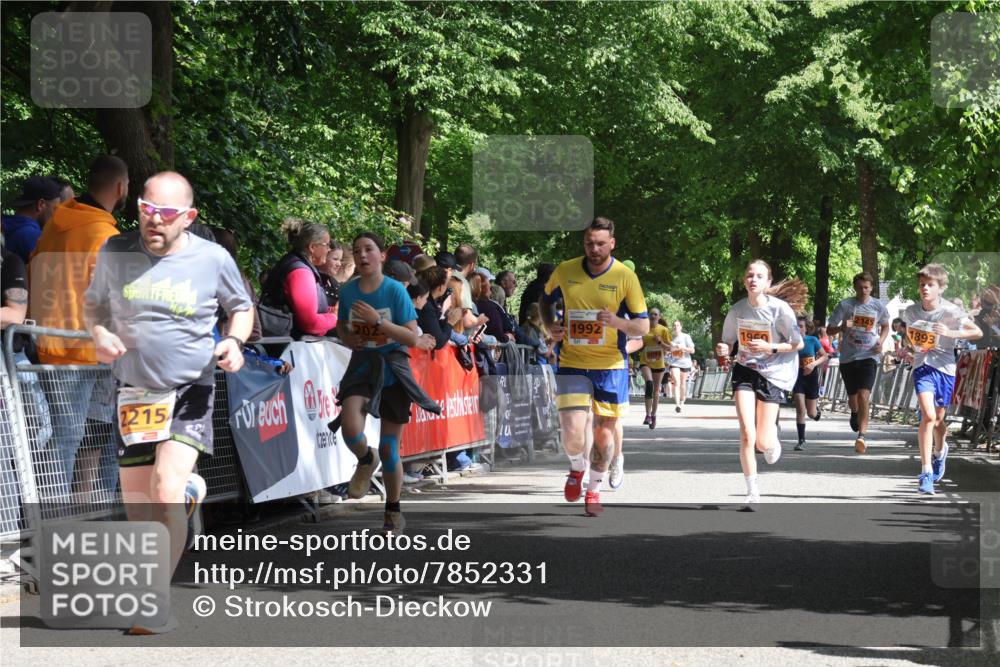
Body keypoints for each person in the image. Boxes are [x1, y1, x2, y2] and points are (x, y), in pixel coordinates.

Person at [84, 171, 254, 634]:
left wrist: (235, 342)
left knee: (162, 491)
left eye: (165, 214)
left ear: (189, 218)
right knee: (139, 506)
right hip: (134, 391)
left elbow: (240, 307)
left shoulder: (212, 257)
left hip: (189, 387)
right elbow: (94, 305)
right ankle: (188, 494)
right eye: (146, 209)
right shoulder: (115, 251)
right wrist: (99, 333)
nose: (153, 220)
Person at [30, 156, 130, 499]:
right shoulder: (104, 235)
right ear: (121, 188)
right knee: (77, 437)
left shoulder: (54, 227)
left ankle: (70, 512)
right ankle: (60, 519)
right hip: (86, 352)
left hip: (50, 345)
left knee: (72, 436)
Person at [540, 217, 649, 517]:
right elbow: (545, 300)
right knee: (573, 431)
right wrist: (551, 327)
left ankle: (594, 489)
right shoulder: (565, 270)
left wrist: (618, 322)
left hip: (611, 365)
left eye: (601, 243)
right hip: (572, 361)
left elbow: (643, 324)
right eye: (589, 243)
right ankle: (577, 467)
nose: (595, 249)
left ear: (612, 243)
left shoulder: (626, 276)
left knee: (603, 435)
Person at [333, 233, 437, 534]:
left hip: (393, 367)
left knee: (391, 448)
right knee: (351, 427)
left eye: (369, 250)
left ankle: (393, 511)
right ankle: (366, 458)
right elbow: (342, 325)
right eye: (357, 250)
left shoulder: (395, 291)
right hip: (363, 365)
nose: (362, 255)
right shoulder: (348, 291)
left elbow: (411, 337)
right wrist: (347, 336)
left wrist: (378, 322)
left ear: (381, 256)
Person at [721, 261, 806, 511]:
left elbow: (797, 343)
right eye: (749, 275)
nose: (753, 279)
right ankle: (752, 490)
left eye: (759, 276)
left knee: (763, 443)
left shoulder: (780, 310)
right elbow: (727, 342)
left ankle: (772, 441)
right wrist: (724, 349)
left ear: (768, 283)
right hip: (745, 370)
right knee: (747, 432)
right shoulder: (737, 311)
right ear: (744, 281)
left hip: (773, 374)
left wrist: (769, 347)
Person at [901, 264, 982, 495]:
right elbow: (910, 337)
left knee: (938, 419)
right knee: (927, 416)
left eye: (930, 285)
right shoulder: (911, 311)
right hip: (922, 367)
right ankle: (925, 472)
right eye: (922, 285)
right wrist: (914, 346)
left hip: (945, 369)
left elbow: (976, 332)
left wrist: (950, 333)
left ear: (941, 288)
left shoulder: (951, 312)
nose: (925, 288)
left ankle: (940, 452)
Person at [826, 272, 891, 454]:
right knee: (853, 398)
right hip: (848, 357)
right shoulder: (845, 305)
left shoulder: (878, 306)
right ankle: (854, 413)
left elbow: (886, 325)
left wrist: (881, 341)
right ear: (855, 287)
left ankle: (862, 436)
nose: (863, 291)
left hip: (869, 356)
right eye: (860, 287)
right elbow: (829, 329)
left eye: (866, 287)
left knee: (864, 396)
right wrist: (841, 327)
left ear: (871, 288)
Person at [260, 218, 337, 338]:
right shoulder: (300, 273)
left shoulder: (292, 262)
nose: (329, 249)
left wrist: (331, 310)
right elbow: (310, 324)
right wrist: (335, 317)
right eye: (327, 244)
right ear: (312, 247)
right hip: (292, 349)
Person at [2, 175, 62, 264]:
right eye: (55, 209)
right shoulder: (33, 236)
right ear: (41, 204)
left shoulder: (4, 226)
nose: (56, 215)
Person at [792, 316, 827, 451]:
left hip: (811, 377)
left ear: (806, 328)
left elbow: (824, 356)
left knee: (811, 414)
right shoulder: (790, 342)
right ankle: (801, 440)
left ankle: (816, 411)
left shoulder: (812, 340)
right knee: (800, 409)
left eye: (801, 326)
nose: (798, 329)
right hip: (798, 377)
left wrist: (813, 364)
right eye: (796, 326)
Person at [415, 265, 463, 349]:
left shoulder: (429, 304)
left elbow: (435, 327)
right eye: (446, 285)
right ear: (440, 287)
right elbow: (438, 342)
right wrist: (450, 322)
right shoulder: (427, 307)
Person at [637, 309, 671, 428]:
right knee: (649, 384)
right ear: (648, 316)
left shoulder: (663, 330)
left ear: (659, 316)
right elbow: (638, 345)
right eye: (651, 314)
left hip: (658, 364)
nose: (653, 316)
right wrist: (641, 346)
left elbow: (669, 348)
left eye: (655, 314)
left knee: (656, 391)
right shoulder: (643, 329)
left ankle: (654, 414)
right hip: (645, 361)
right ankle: (647, 415)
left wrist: (660, 342)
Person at [472, 270, 514, 342]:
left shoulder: (474, 304)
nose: (491, 292)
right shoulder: (490, 307)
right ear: (484, 290)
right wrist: (507, 337)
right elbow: (499, 334)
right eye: (490, 288)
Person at [668, 319, 696, 413]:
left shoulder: (686, 337)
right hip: (674, 362)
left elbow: (692, 350)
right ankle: (677, 405)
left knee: (683, 385)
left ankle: (682, 400)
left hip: (685, 363)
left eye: (678, 325)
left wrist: (682, 348)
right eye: (674, 325)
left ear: (681, 327)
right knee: (676, 382)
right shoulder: (670, 337)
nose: (676, 327)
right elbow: (668, 350)